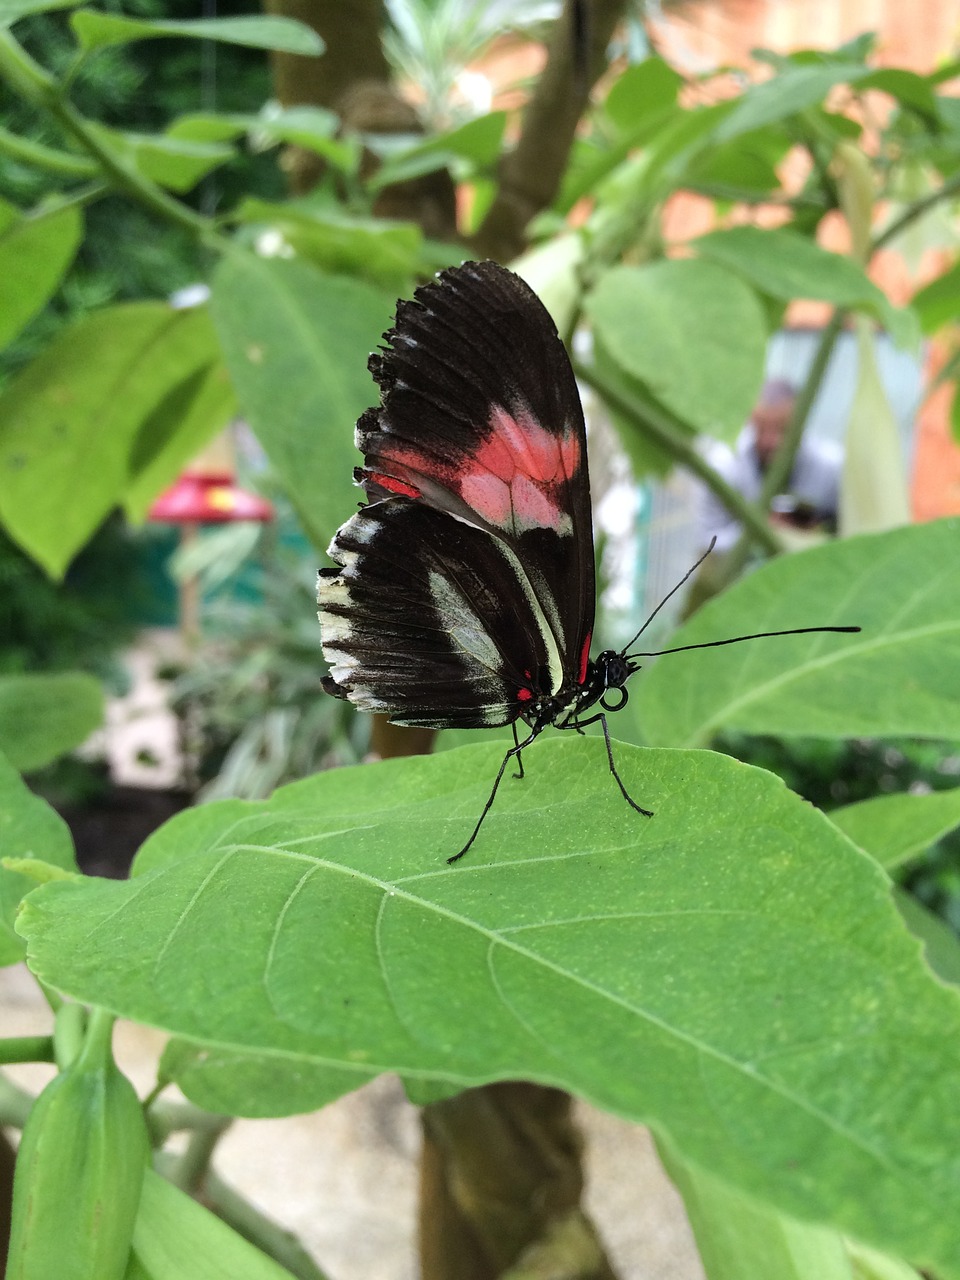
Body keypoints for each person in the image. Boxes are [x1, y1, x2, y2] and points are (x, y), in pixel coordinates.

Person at [696, 379, 842, 553]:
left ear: (801, 425)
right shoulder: (723, 469)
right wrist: (760, 529)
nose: (769, 441)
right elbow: (708, 543)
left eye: (782, 430)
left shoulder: (831, 469)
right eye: (761, 429)